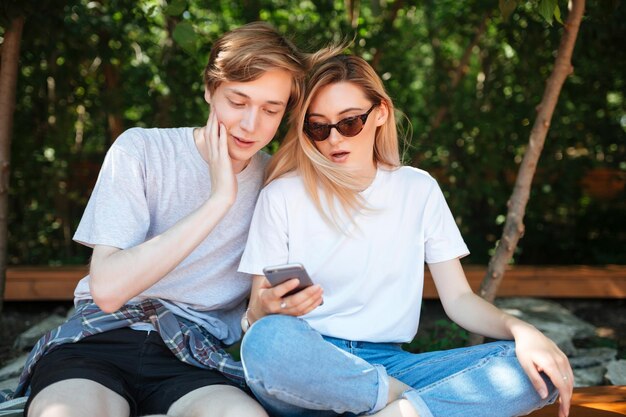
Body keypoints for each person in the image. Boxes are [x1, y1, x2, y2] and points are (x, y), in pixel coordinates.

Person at [238, 53, 574, 417]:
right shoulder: (282, 196)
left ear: (380, 112)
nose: (334, 139)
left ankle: (396, 410)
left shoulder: (418, 189)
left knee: (534, 368)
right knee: (266, 342)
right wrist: (266, 310)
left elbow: (459, 299)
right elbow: (258, 315)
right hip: (313, 368)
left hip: (390, 364)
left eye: (349, 122)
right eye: (318, 127)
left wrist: (521, 330)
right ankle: (406, 405)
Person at [14, 22, 307, 417]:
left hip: (193, 355)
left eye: (270, 110)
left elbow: (254, 313)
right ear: (209, 90)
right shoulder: (142, 149)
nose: (251, 125)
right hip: (101, 338)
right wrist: (219, 200)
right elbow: (108, 289)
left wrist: (264, 310)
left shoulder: (278, 186)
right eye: (237, 102)